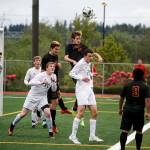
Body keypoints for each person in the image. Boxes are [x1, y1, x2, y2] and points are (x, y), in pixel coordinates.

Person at [8, 62, 57, 138]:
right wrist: (41, 82)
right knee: (23, 114)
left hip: (42, 97)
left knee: (48, 113)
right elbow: (31, 82)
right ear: (46, 68)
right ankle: (12, 125)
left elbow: (54, 89)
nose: (52, 67)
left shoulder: (54, 76)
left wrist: (54, 83)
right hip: (32, 96)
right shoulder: (41, 75)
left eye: (53, 66)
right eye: (51, 66)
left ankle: (51, 133)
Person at [64, 31, 103, 126]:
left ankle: (76, 111)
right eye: (77, 38)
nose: (79, 40)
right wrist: (73, 61)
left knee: (84, 92)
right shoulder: (69, 46)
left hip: (84, 70)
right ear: (73, 39)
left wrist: (99, 57)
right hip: (76, 72)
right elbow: (65, 58)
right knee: (83, 92)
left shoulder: (83, 46)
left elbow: (92, 53)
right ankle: (79, 115)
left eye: (79, 38)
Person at [69, 49, 103, 144]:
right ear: (84, 56)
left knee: (95, 113)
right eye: (89, 56)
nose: (91, 57)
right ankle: (72, 136)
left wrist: (94, 75)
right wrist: (81, 78)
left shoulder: (88, 63)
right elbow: (71, 73)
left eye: (91, 56)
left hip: (89, 89)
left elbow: (87, 74)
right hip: (81, 90)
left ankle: (92, 136)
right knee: (80, 113)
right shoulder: (80, 63)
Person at [42, 41, 72, 134]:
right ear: (51, 48)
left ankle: (55, 123)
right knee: (51, 104)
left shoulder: (55, 56)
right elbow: (43, 70)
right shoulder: (46, 57)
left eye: (58, 49)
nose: (58, 51)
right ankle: (52, 124)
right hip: (48, 83)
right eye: (56, 49)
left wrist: (58, 66)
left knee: (56, 101)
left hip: (55, 81)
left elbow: (55, 68)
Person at [119, 68, 150, 150]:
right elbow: (147, 100)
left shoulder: (127, 85)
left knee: (125, 130)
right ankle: (138, 149)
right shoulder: (145, 86)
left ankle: (122, 149)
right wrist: (148, 112)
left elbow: (121, 98)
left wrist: (120, 109)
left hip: (127, 110)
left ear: (133, 75)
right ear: (142, 76)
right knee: (139, 131)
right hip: (139, 111)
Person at [24, 56, 46, 128]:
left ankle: (44, 122)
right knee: (34, 108)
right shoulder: (30, 70)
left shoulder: (43, 70)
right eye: (36, 61)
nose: (38, 62)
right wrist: (27, 83)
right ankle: (33, 123)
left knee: (44, 108)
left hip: (42, 92)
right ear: (34, 62)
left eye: (39, 60)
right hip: (34, 92)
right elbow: (26, 79)